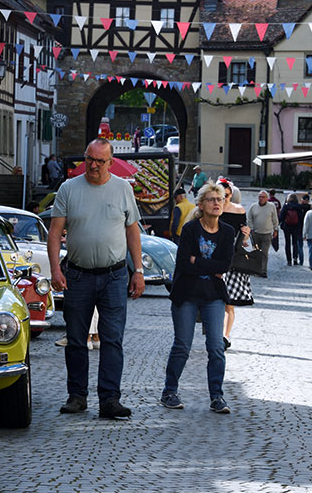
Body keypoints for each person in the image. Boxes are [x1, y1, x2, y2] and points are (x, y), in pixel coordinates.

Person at [49, 138, 144, 420]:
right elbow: (55, 232)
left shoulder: (123, 189)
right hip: (77, 274)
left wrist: (138, 270)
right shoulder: (68, 189)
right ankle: (77, 396)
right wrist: (55, 269)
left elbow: (132, 231)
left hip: (114, 275)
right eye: (88, 158)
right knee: (76, 339)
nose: (92, 165)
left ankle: (110, 399)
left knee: (112, 340)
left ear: (110, 162)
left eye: (99, 161)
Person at [161, 183, 236, 414]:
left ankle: (217, 397)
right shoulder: (191, 229)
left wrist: (198, 262)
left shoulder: (227, 232)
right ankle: (169, 392)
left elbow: (225, 265)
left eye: (220, 199)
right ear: (201, 205)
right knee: (182, 346)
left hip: (213, 295)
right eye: (212, 199)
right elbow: (183, 263)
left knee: (216, 347)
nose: (217, 203)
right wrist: (205, 266)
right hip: (187, 294)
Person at [218, 179, 252, 350]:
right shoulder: (211, 209)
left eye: (226, 195)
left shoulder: (239, 210)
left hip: (232, 258)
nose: (223, 198)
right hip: (212, 257)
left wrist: (246, 234)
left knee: (228, 302)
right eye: (219, 195)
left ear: (231, 194)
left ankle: (225, 335)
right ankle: (215, 333)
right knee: (213, 300)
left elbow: (244, 239)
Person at [246, 190, 279, 276]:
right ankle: (256, 269)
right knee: (256, 252)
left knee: (264, 253)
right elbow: (249, 219)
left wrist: (276, 229)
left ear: (267, 198)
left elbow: (275, 219)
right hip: (255, 233)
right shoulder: (253, 207)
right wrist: (251, 229)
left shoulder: (271, 207)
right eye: (260, 197)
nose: (261, 199)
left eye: (263, 197)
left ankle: (263, 270)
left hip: (267, 233)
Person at [279, 192, 305, 266]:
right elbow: (301, 218)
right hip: (296, 226)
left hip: (286, 226)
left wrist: (278, 224)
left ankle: (289, 260)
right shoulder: (299, 206)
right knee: (295, 243)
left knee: (287, 243)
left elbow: (281, 217)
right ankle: (295, 259)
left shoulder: (286, 206)